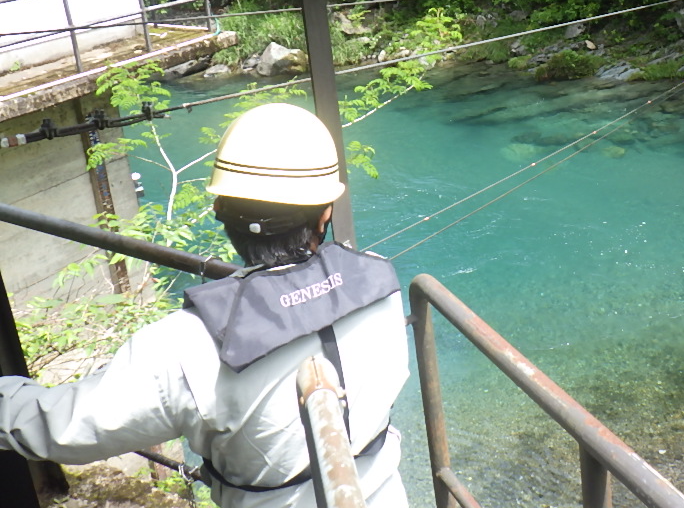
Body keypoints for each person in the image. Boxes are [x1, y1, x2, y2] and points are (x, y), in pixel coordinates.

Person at [0, 103, 410, 507]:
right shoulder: (379, 282)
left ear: (219, 211)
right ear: (325, 213)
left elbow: (65, 428)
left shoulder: (185, 345)